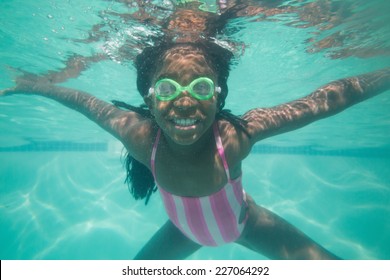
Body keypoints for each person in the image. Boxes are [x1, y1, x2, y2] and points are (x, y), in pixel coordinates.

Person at [1, 5, 390, 260]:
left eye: (201, 88)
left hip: (247, 224)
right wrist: (35, 84)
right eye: (168, 90)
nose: (184, 104)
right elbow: (84, 102)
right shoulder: (142, 140)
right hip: (182, 232)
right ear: (149, 101)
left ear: (219, 98)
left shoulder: (234, 139)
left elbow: (331, 99)